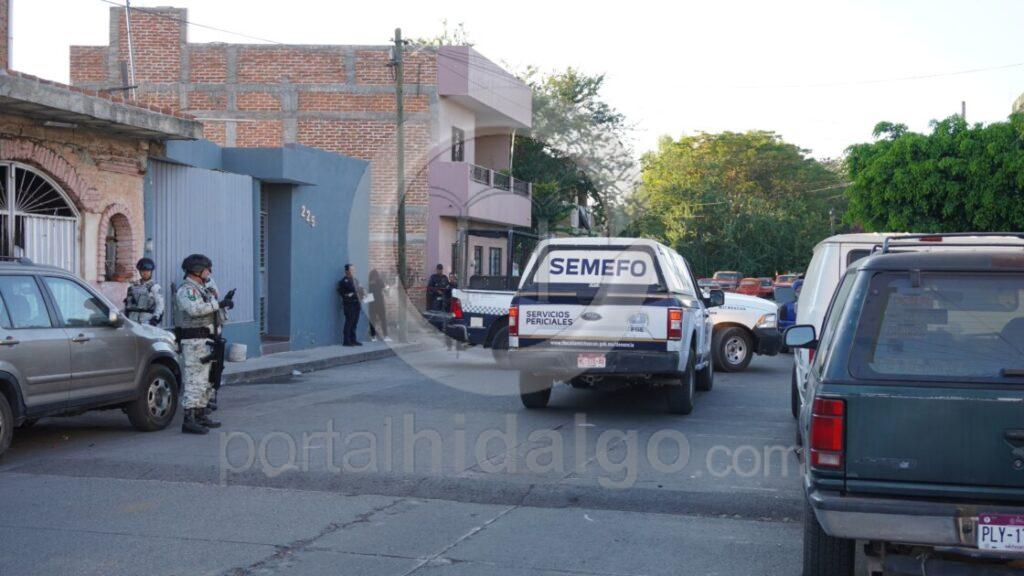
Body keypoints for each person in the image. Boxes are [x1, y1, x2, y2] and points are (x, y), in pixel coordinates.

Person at [174, 254, 234, 434]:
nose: (209, 272)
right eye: (207, 269)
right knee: (195, 381)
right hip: (194, 341)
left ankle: (200, 415)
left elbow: (212, 311)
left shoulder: (202, 289)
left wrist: (223, 305)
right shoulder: (187, 290)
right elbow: (195, 310)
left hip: (207, 340)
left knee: (207, 380)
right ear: (197, 270)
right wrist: (218, 304)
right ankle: (189, 419)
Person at [124, 258, 164, 326]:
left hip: (147, 321)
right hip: (132, 320)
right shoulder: (133, 286)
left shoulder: (155, 287)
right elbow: (128, 304)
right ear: (139, 271)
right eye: (142, 270)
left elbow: (160, 305)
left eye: (147, 271)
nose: (145, 273)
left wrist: (155, 319)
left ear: (151, 271)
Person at [338, 263, 362, 346]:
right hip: (349, 304)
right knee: (349, 322)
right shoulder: (344, 281)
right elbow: (352, 289)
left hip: (356, 304)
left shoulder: (355, 280)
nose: (353, 271)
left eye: (354, 269)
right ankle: (346, 341)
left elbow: (360, 289)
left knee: (355, 322)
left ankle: (353, 339)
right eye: (351, 270)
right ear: (346, 271)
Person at [367, 269, 391, 343]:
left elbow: (385, 289)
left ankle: (377, 336)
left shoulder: (374, 282)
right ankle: (382, 336)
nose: (375, 277)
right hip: (377, 303)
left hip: (375, 303)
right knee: (379, 320)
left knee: (376, 320)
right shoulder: (376, 282)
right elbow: (385, 289)